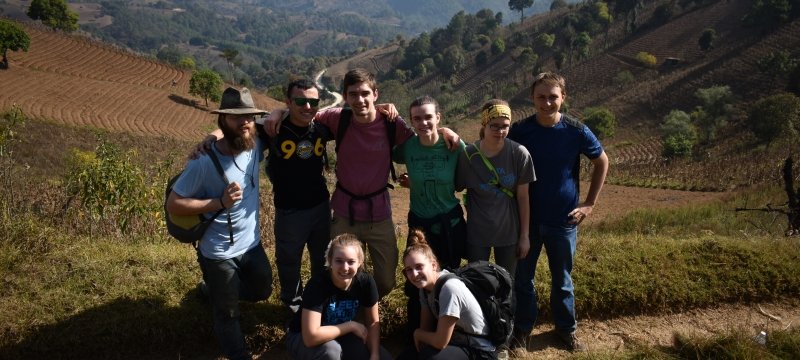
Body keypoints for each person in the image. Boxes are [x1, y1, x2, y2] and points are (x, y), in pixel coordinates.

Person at [265, 68, 459, 298]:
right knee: (340, 275)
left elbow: (421, 140)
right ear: (345, 97)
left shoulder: (391, 123)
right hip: (345, 214)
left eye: (365, 93)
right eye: (353, 94)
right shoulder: (339, 118)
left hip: (379, 213)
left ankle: (367, 303)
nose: (360, 100)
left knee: (386, 281)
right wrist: (277, 112)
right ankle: (350, 311)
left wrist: (443, 130)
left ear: (375, 94)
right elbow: (304, 112)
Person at [166, 87, 273, 360]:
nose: (245, 121)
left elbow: (279, 116)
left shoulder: (254, 143)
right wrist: (218, 203)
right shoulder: (202, 162)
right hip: (219, 252)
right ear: (223, 120)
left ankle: (210, 290)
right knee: (228, 313)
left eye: (249, 116)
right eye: (237, 117)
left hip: (251, 244)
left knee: (263, 289)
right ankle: (239, 354)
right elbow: (174, 204)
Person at [509, 72, 609, 352]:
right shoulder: (521, 130)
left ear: (563, 97)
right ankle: (522, 330)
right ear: (532, 98)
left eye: (553, 96)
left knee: (562, 280)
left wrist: (589, 203)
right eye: (541, 97)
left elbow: (602, 161)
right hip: (527, 221)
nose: (547, 103)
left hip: (564, 220)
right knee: (523, 280)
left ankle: (566, 330)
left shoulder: (576, 130)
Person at [392, 95, 466, 342]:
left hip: (449, 223)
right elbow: (381, 141)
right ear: (411, 121)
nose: (423, 123)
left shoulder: (455, 146)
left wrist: (449, 132)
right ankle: (415, 333)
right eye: (417, 118)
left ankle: (450, 334)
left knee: (450, 278)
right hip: (420, 223)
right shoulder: (408, 148)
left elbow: (466, 178)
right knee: (416, 279)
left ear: (438, 117)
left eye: (428, 117)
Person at [456, 99, 535, 278]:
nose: (500, 131)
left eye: (505, 126)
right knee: (477, 284)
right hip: (477, 233)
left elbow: (523, 198)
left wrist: (524, 236)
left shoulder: (519, 153)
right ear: (484, 124)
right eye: (494, 126)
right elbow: (456, 186)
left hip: (509, 233)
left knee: (507, 285)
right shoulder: (468, 155)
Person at [285, 233, 392, 360]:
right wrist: (350, 326)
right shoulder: (317, 285)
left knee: (383, 357)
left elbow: (373, 322)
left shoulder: (366, 282)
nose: (345, 268)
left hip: (342, 335)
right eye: (339, 261)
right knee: (331, 352)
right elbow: (310, 338)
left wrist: (374, 355)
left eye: (351, 262)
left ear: (360, 262)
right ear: (330, 261)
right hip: (302, 337)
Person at [396, 229, 496, 360]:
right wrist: (419, 335)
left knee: (430, 357)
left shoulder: (449, 289)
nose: (414, 274)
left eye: (419, 267)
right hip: (457, 343)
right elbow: (425, 330)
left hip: (480, 350)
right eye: (409, 270)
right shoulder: (424, 288)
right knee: (407, 356)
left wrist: (417, 334)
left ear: (433, 265)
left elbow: (440, 342)